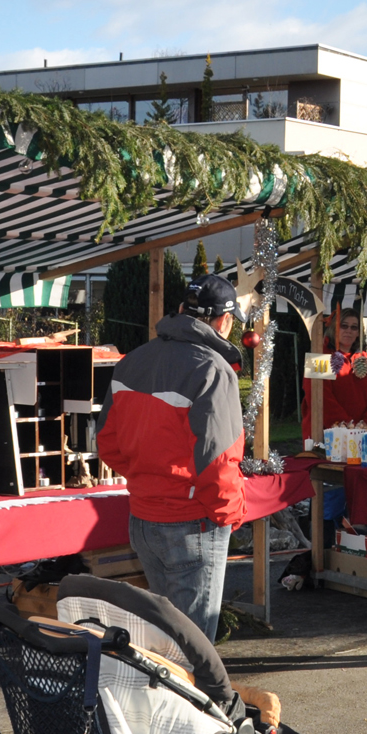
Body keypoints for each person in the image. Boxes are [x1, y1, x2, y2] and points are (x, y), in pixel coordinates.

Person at [100, 274, 248, 641]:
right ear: (224, 322)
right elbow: (219, 461)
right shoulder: (213, 368)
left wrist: (150, 479)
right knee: (192, 648)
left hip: (144, 517)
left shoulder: (132, 360)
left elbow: (109, 444)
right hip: (191, 520)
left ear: (181, 309)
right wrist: (230, 515)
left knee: (166, 642)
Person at [303, 306, 367, 432]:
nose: (349, 330)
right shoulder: (319, 356)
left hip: (364, 432)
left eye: (354, 327)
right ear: (334, 328)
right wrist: (346, 425)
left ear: (359, 332)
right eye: (344, 326)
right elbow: (318, 397)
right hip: (326, 432)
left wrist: (366, 424)